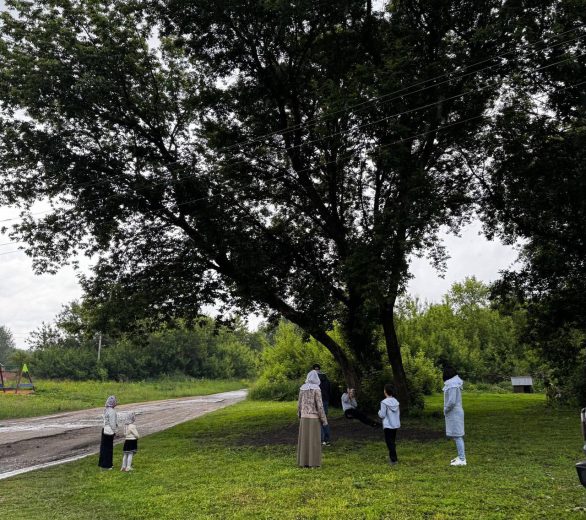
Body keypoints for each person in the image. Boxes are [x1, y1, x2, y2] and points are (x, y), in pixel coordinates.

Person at [297, 370, 328, 468]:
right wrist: (324, 420)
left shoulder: (302, 388)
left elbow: (299, 404)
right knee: (314, 441)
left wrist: (300, 415)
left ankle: (303, 462)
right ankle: (313, 463)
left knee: (304, 441)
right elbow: (320, 406)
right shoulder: (316, 389)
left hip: (304, 417)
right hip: (314, 418)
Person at [443, 366, 466, 466]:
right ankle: (460, 456)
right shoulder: (454, 383)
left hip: (454, 413)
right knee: (456, 435)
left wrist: (445, 409)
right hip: (455, 412)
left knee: (457, 436)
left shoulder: (452, 385)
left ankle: (462, 459)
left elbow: (451, 401)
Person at [378, 384, 400, 465]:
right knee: (392, 441)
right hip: (395, 425)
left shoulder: (384, 402)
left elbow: (382, 415)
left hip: (388, 425)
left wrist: (379, 412)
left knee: (389, 442)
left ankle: (394, 460)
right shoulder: (396, 401)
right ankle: (392, 457)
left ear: (385, 391)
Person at [312, 363, 331, 446]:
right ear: (319, 369)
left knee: (318, 421)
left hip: (318, 402)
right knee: (324, 420)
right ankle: (326, 439)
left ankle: (321, 440)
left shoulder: (314, 380)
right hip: (325, 401)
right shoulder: (326, 379)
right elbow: (329, 391)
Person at [98, 395, 118, 470]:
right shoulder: (112, 411)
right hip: (109, 431)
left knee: (103, 447)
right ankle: (107, 465)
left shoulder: (106, 410)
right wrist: (115, 431)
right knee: (108, 448)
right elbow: (112, 423)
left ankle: (102, 463)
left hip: (104, 430)